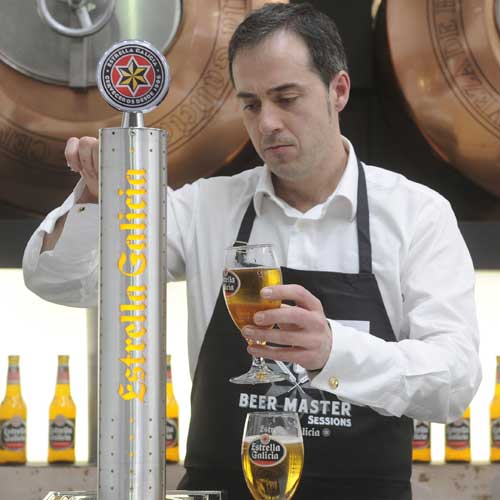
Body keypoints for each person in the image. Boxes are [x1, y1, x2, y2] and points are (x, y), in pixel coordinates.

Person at [23, 3, 481, 499]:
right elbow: (61, 282)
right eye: (251, 104)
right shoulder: (204, 209)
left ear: (339, 90)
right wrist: (95, 199)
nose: (268, 123)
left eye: (286, 98)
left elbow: (454, 381)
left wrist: (334, 352)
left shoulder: (417, 214)